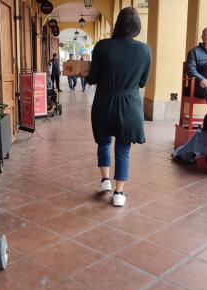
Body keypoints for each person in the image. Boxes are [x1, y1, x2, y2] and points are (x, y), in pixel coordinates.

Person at [87, 7, 151, 207]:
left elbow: (93, 79)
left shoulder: (102, 46)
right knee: (123, 150)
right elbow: (142, 82)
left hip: (104, 102)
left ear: (118, 24)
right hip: (129, 105)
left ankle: (105, 181)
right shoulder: (144, 50)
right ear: (137, 26)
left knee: (104, 142)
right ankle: (119, 193)